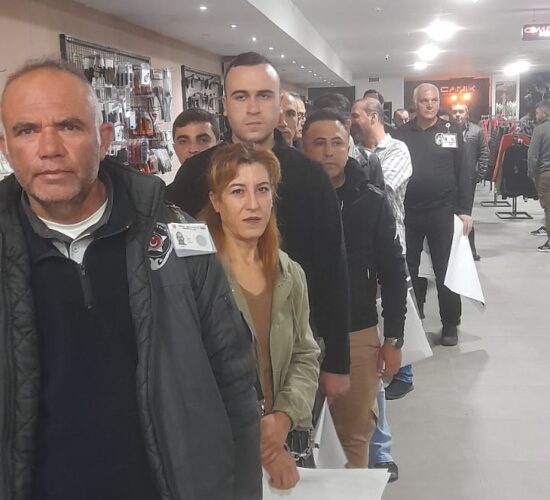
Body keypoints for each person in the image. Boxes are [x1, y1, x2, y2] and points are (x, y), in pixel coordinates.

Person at [0, 59, 261, 500]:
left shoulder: (178, 239)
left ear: (103, 139)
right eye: (27, 130)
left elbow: (234, 381)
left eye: (68, 126)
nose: (48, 148)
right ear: (6, 147)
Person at [166, 52, 351, 401]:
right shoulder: (195, 175)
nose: (252, 108)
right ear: (225, 105)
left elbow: (332, 269)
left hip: (293, 349)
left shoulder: (311, 177)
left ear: (279, 103)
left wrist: (338, 360)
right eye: (241, 96)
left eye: (263, 96)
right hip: (212, 354)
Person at [203, 142, 320, 489]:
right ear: (216, 201)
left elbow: (305, 354)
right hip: (219, 453)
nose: (253, 204)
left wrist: (283, 416)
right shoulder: (198, 277)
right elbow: (196, 378)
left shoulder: (289, 273)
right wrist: (262, 446)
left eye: (262, 189)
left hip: (283, 441)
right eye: (238, 191)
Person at [302, 109, 407, 471]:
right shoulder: (284, 201)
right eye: (318, 143)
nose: (328, 151)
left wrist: (393, 338)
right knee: (296, 437)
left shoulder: (371, 201)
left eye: (337, 143)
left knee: (353, 434)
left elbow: (394, 272)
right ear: (303, 148)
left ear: (349, 147)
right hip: (299, 334)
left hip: (357, 332)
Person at [396, 83, 472, 347]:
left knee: (444, 269)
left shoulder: (451, 130)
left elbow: (463, 171)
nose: (430, 105)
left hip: (443, 211)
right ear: (414, 103)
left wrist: (465, 210)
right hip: (410, 212)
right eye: (424, 100)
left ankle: (450, 322)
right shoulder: (401, 134)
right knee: (409, 269)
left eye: (434, 100)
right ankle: (412, 320)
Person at [351, 96, 414, 399]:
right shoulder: (355, 151)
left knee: (396, 304)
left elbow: (379, 188)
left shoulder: (397, 150)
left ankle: (403, 372)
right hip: (361, 242)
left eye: (356, 115)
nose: (351, 121)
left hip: (390, 241)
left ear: (373, 117)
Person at [313, 92, 385, 190]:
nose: (328, 152)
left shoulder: (369, 161)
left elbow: (379, 197)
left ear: (347, 123)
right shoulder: (303, 161)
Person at [451, 103, 490, 260]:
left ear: (467, 113)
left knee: (466, 213)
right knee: (451, 214)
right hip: (449, 180)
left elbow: (484, 153)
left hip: (468, 180)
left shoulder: (476, 131)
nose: (457, 114)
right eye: (454, 112)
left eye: (461, 111)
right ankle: (452, 249)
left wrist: (479, 174)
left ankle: (470, 249)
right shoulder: (446, 131)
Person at [527, 99, 550, 252]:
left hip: (545, 174)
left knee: (548, 208)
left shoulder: (540, 130)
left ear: (545, 113)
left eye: (537, 113)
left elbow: (532, 155)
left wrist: (531, 173)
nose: (535, 116)